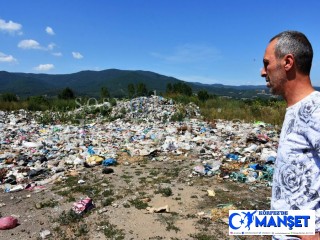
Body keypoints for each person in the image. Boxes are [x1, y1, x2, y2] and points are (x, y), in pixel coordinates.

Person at [261, 30, 320, 240]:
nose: (262, 71)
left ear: (287, 62)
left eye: (266, 63)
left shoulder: (316, 110)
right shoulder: (296, 110)